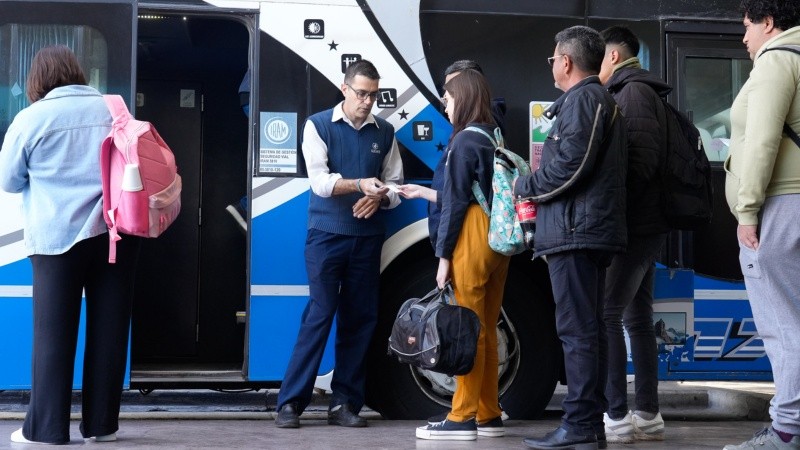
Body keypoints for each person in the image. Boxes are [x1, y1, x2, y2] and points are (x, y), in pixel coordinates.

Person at [0, 45, 141, 444]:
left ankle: (46, 431)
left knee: (53, 335)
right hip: (116, 235)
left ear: (37, 80)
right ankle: (102, 427)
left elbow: (8, 180)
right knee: (109, 330)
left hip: (56, 240)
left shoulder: (32, 118)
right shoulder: (115, 110)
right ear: (78, 72)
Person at [515, 26, 628, 450]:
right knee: (589, 330)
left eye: (552, 59)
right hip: (583, 231)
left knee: (578, 332)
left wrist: (524, 186)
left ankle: (580, 423)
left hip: (577, 233)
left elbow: (570, 167)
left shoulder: (585, 99)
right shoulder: (594, 99)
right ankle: (588, 425)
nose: (551, 66)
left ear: (565, 61)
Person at [274, 59, 403, 429]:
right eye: (361, 93)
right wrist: (361, 184)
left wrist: (381, 197)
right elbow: (320, 182)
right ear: (345, 89)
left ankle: (345, 404)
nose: (367, 101)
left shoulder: (385, 132)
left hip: (367, 239)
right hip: (326, 236)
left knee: (360, 320)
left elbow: (395, 184)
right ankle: (290, 403)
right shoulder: (317, 125)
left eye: (373, 95)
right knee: (320, 313)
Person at [412, 68, 510, 441]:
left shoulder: (464, 141)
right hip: (496, 236)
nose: (445, 106)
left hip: (471, 235)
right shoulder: (491, 135)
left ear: (464, 98)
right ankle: (488, 412)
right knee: (485, 327)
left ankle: (461, 416)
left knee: (467, 329)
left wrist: (443, 258)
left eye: (449, 99)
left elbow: (455, 204)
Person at [723, 1, 800, 449]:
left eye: (748, 26)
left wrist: (747, 211)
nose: (744, 37)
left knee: (783, 324)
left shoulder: (777, 59)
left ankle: (788, 430)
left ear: (768, 22)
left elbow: (762, 141)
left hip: (782, 208)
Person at [597, 25, 670, 443]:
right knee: (637, 318)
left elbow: (639, 165)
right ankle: (647, 412)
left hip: (635, 227)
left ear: (613, 55)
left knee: (608, 312)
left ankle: (617, 415)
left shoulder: (633, 93)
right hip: (645, 225)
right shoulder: (637, 89)